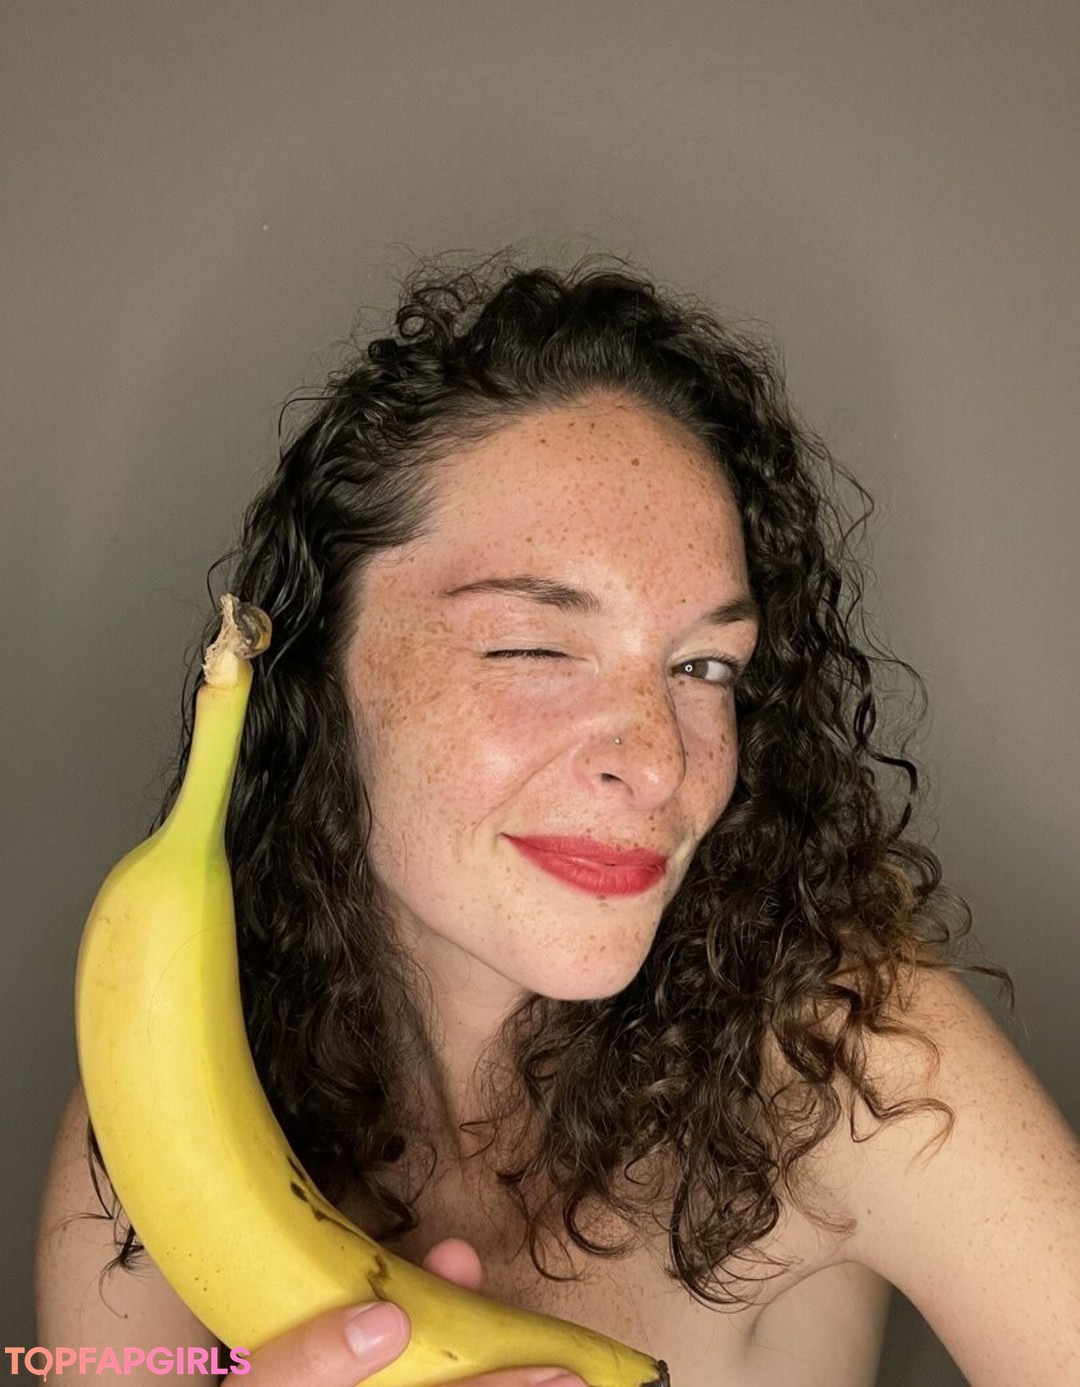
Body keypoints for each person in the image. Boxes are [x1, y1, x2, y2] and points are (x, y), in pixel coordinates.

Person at [36, 252, 1079, 1386]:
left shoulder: (844, 1055)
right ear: (317, 675)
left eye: (704, 665)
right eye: (535, 647)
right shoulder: (156, 1102)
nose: (659, 760)